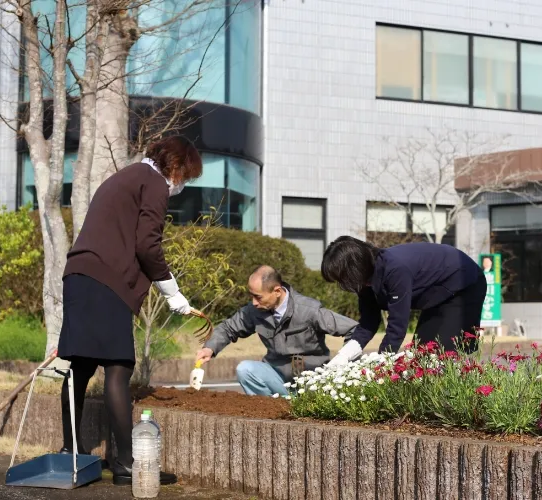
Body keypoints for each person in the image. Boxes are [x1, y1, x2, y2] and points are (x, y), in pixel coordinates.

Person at [56, 135, 203, 486]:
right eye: (185, 174)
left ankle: (69, 453)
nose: (182, 182)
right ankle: (128, 465)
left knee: (81, 366)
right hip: (106, 281)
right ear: (176, 165)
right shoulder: (153, 182)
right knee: (119, 369)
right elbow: (147, 245)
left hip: (80, 275)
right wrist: (173, 292)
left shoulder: (126, 176)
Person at [194, 265, 358, 396]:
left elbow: (354, 329)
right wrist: (210, 347)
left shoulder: (309, 310)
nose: (254, 302)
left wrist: (342, 362)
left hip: (313, 383)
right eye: (251, 296)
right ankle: (271, 414)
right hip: (278, 377)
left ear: (277, 291)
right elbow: (229, 327)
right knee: (245, 370)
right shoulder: (254, 311)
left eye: (258, 297)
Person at [321, 236, 487, 365]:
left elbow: (397, 324)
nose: (341, 284)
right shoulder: (364, 283)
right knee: (422, 354)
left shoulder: (394, 268)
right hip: (437, 294)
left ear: (354, 269)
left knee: (442, 354)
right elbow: (368, 322)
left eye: (341, 278)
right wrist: (344, 355)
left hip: (464, 285)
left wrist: (382, 363)